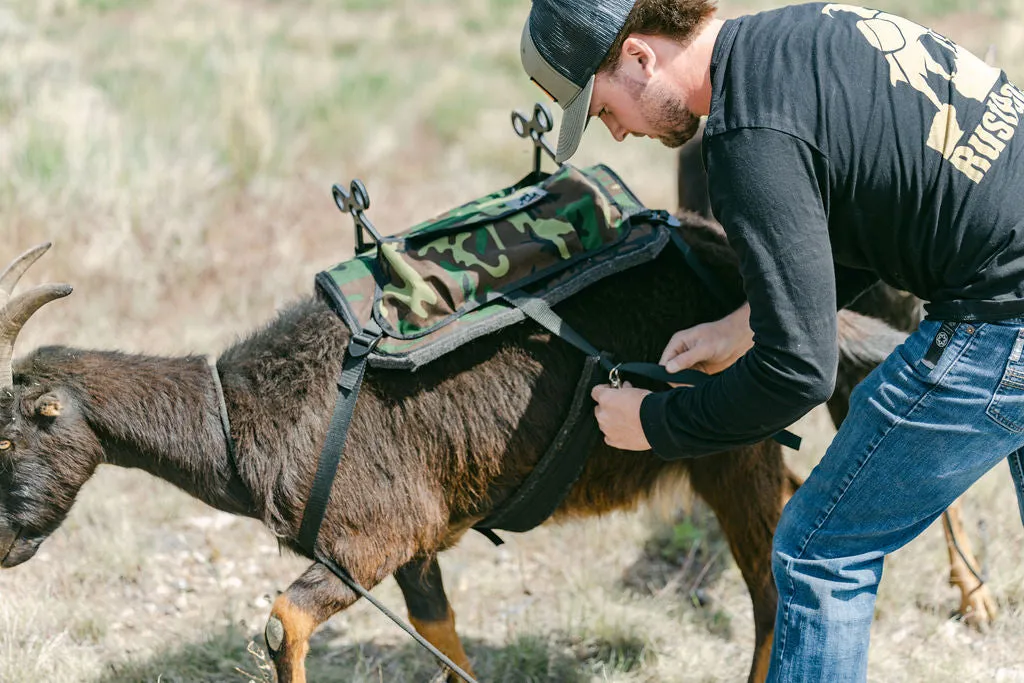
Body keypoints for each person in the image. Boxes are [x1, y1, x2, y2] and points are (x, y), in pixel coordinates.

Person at [519, 1, 1024, 680]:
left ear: (640, 57)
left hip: (1003, 319)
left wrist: (655, 422)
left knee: (818, 549)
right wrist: (745, 322)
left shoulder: (745, 135)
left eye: (603, 108)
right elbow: (878, 202)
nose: (613, 133)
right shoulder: (799, 35)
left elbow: (799, 374)